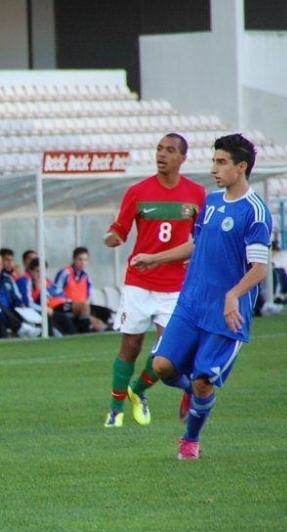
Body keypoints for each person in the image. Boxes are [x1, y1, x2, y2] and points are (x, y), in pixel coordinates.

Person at [132, 133, 272, 460]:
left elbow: (259, 268)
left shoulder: (255, 212)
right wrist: (157, 257)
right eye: (213, 161)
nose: (214, 168)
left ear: (241, 167)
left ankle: (190, 440)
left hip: (226, 314)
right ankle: (189, 392)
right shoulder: (211, 202)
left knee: (205, 380)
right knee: (162, 365)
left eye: (221, 162)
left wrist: (233, 295)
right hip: (192, 302)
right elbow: (196, 243)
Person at [102, 133, 205, 428]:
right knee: (130, 346)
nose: (162, 154)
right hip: (139, 281)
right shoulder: (138, 191)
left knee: (169, 354)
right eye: (159, 149)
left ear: (182, 158)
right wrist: (112, 237)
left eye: (170, 150)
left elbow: (200, 239)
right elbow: (119, 229)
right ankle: (115, 409)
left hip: (175, 285)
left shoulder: (197, 194)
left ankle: (138, 390)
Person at [52, 246, 109, 333]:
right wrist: (71, 301)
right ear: (74, 259)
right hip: (63, 304)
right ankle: (85, 331)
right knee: (84, 307)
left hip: (81, 304)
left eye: (85, 260)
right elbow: (56, 292)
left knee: (104, 311)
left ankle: (103, 328)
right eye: (80, 259)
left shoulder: (85, 276)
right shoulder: (65, 272)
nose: (83, 262)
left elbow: (88, 294)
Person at [15, 257, 77, 337]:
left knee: (63, 318)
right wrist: (44, 309)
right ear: (31, 271)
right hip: (26, 311)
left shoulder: (41, 282)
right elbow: (28, 303)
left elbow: (47, 298)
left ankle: (73, 337)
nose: (40, 274)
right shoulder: (25, 281)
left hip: (38, 310)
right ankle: (52, 337)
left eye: (43, 271)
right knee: (48, 319)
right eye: (37, 271)